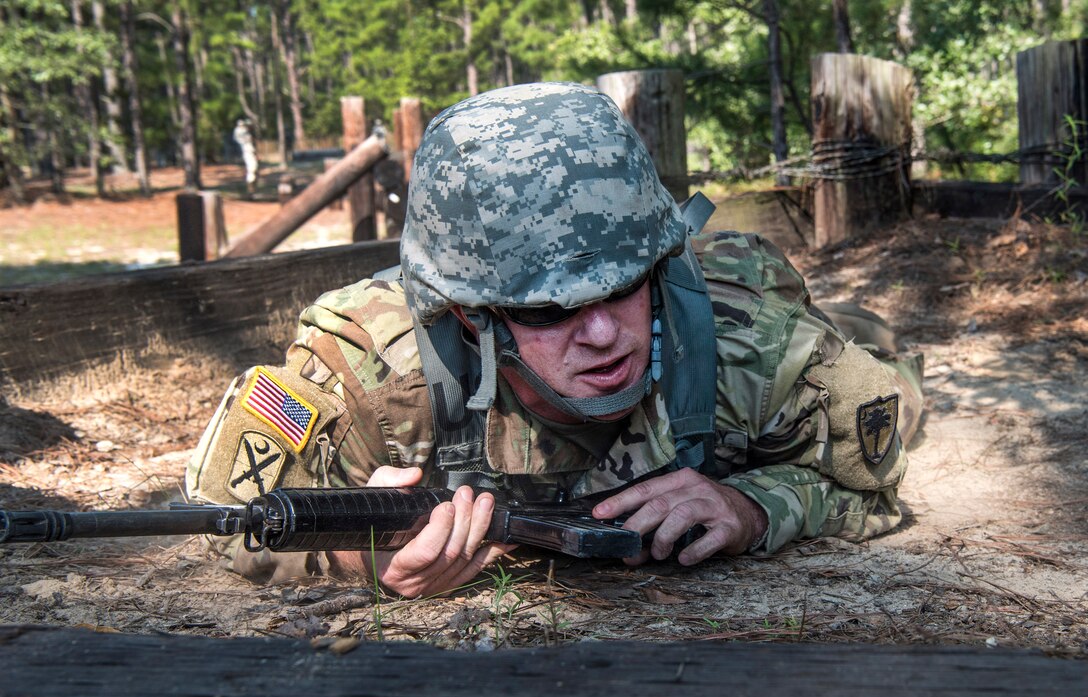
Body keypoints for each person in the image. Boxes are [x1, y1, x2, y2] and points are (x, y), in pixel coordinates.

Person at [187, 83, 923, 598]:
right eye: (548, 310)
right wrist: (353, 555)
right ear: (471, 314)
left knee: (886, 358)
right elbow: (222, 516)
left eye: (623, 285)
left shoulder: (749, 345)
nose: (603, 334)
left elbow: (876, 475)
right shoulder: (372, 372)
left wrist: (755, 508)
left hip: (755, 303)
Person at [233, 118, 259, 195]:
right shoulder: (240, 131)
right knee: (251, 168)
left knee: (254, 169)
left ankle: (252, 187)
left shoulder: (248, 134)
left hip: (250, 151)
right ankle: (250, 187)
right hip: (246, 151)